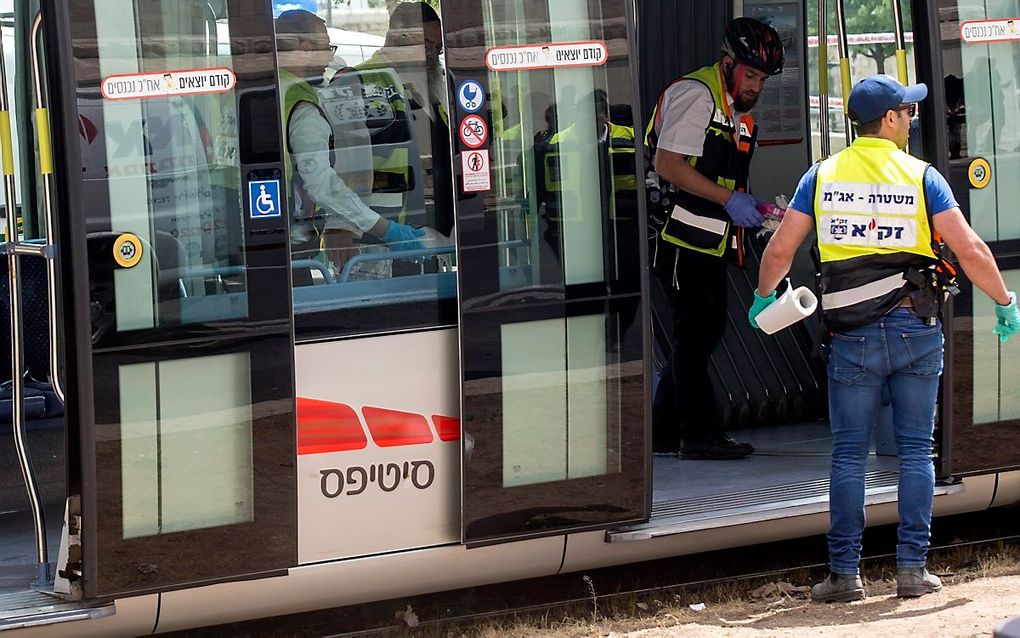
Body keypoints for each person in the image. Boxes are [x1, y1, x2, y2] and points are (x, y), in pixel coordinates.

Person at [749, 74, 1020, 602]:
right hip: (917, 328)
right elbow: (969, 249)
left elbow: (780, 251)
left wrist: (764, 298)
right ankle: (912, 570)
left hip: (851, 338)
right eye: (908, 111)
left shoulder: (821, 176)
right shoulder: (923, 177)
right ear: (889, 119)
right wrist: (1005, 303)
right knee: (918, 451)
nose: (914, 119)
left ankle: (844, 577)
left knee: (849, 455)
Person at [645, 17, 784, 460]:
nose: (757, 86)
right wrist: (730, 200)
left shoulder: (735, 114)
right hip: (678, 240)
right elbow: (668, 164)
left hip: (706, 242)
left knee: (703, 332)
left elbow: (718, 175)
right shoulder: (697, 95)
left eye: (763, 78)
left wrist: (755, 208)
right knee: (696, 334)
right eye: (752, 75)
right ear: (728, 64)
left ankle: (664, 432)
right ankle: (698, 435)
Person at [275, 9, 425, 279]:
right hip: (289, 234)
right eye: (326, 47)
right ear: (306, 49)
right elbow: (325, 178)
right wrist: (378, 229)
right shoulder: (302, 101)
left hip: (258, 235)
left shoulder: (263, 89)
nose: (330, 56)